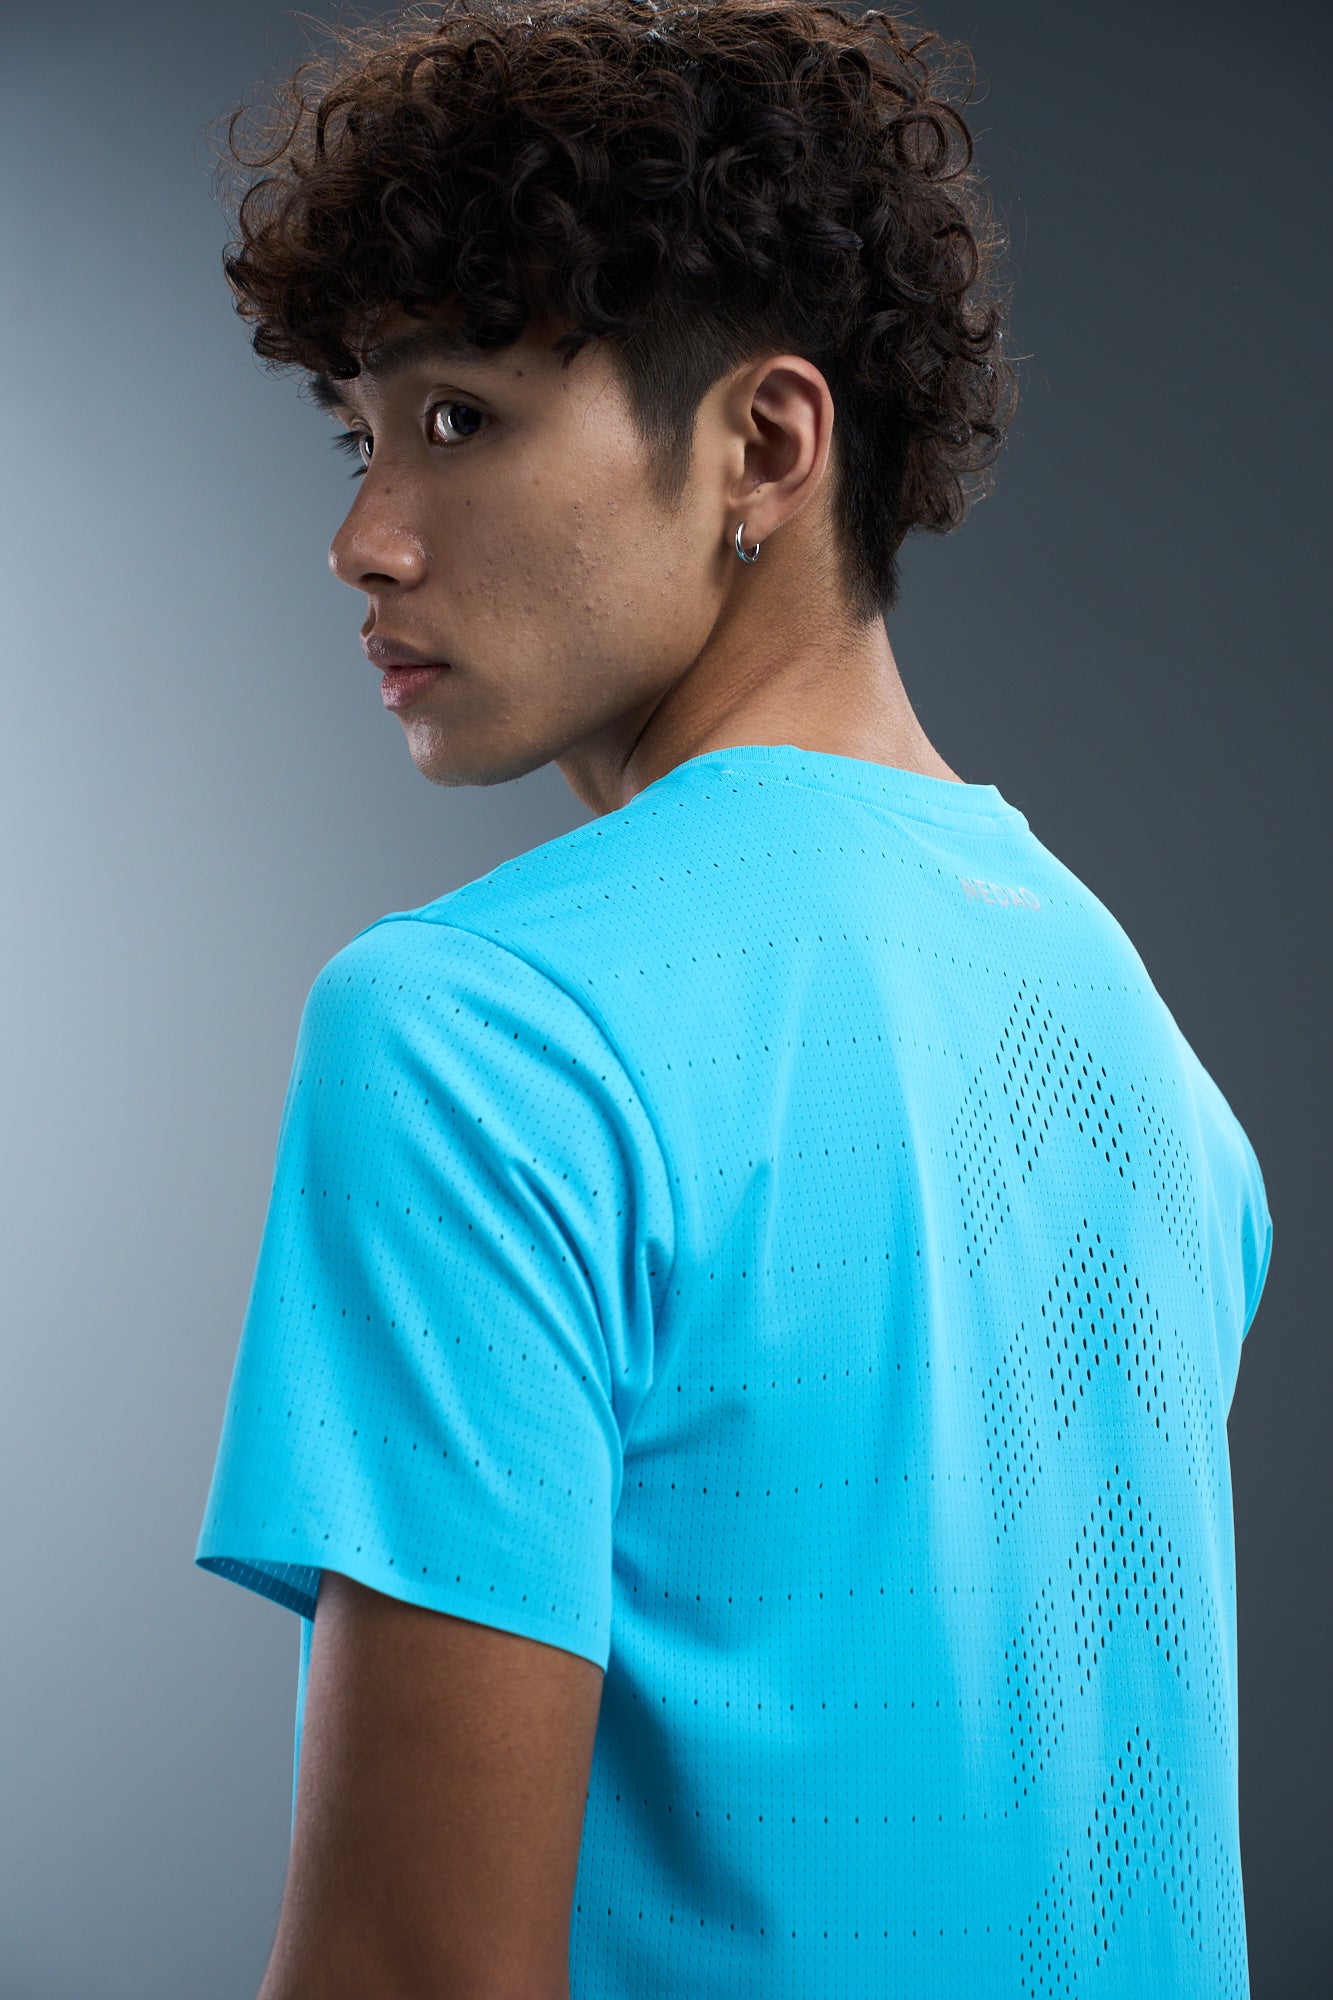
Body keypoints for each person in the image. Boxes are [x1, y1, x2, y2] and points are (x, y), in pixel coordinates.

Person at [194, 3, 1273, 1995]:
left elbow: (414, 1973)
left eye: (460, 420)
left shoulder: (475, 1034)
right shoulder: (1139, 1053)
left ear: (761, 446)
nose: (361, 539)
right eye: (362, 436)